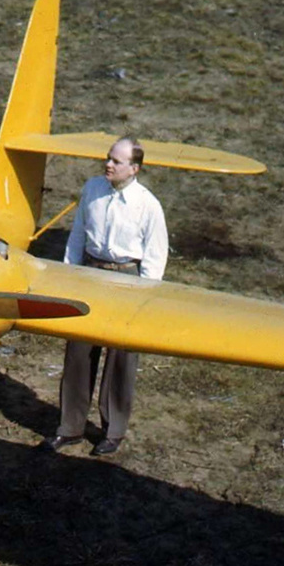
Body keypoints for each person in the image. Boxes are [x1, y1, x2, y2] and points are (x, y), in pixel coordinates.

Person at [45, 137, 168, 456]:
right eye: (108, 158)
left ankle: (112, 431)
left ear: (135, 168)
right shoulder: (92, 189)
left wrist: (144, 297)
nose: (108, 164)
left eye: (117, 161)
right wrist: (68, 274)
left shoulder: (148, 205)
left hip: (127, 281)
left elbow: (155, 257)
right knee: (78, 352)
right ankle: (69, 427)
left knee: (121, 358)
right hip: (89, 274)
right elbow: (77, 235)